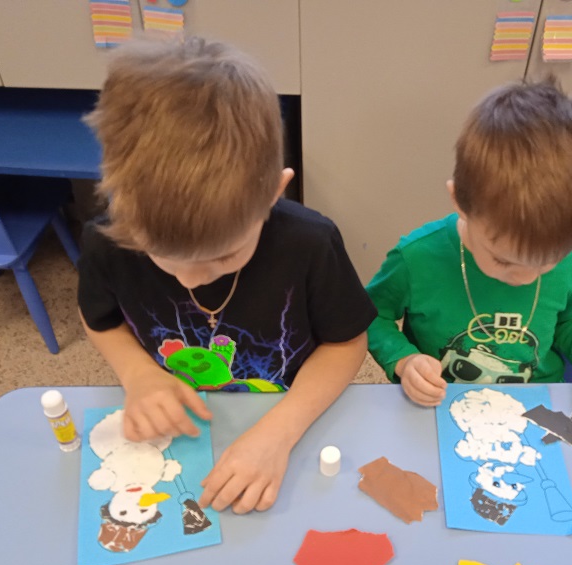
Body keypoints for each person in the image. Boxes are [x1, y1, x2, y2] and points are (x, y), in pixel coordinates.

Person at [78, 36, 376, 514]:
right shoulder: (109, 239)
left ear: (274, 193)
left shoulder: (310, 244)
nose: (191, 280)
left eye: (223, 256)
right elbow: (99, 318)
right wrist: (138, 374)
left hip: (290, 411)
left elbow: (346, 344)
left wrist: (280, 432)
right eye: (163, 256)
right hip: (180, 425)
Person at [366, 77, 572, 407]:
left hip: (533, 402)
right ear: (460, 202)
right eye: (504, 260)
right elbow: (370, 316)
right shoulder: (417, 258)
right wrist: (404, 359)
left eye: (548, 262)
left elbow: (567, 318)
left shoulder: (571, 259)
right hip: (441, 400)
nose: (526, 277)